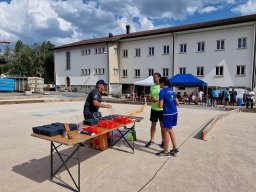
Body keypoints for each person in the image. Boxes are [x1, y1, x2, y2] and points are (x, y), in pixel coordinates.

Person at [156, 77, 179, 157]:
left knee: (165, 131)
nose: (158, 84)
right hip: (175, 112)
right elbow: (177, 103)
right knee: (170, 130)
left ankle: (166, 151)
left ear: (162, 83)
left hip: (167, 114)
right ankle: (175, 149)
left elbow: (160, 106)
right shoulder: (172, 91)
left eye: (159, 82)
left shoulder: (162, 91)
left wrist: (158, 100)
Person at [145, 73, 164, 148]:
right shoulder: (152, 86)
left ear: (159, 77)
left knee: (162, 125)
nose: (153, 79)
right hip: (153, 109)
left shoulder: (162, 86)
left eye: (155, 77)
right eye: (153, 77)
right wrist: (150, 98)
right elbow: (150, 96)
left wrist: (158, 99)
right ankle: (151, 140)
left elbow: (165, 96)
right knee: (153, 125)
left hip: (162, 109)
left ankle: (163, 141)